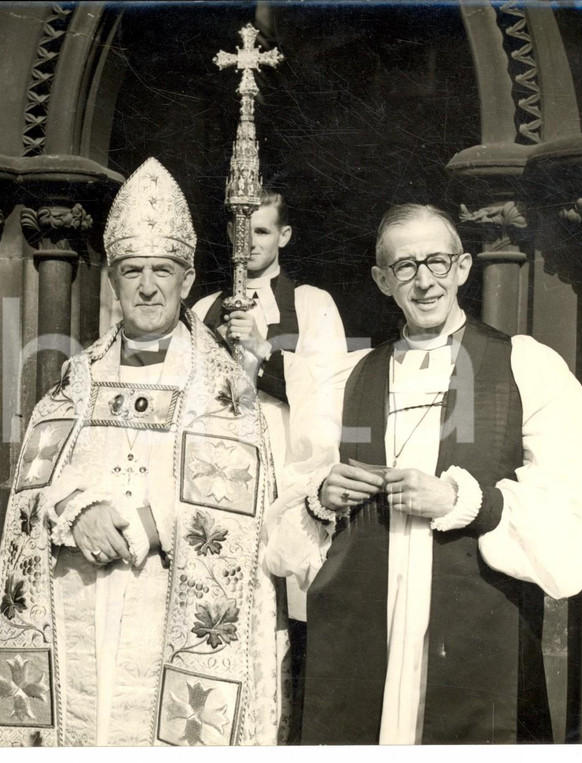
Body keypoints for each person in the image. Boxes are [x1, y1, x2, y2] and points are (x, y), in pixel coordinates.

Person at [0, 157, 285, 746]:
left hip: (164, 590)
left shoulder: (220, 385)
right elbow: (40, 482)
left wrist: (144, 525)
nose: (147, 286)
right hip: (75, 587)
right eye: (131, 270)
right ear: (112, 279)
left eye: (162, 270)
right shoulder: (76, 377)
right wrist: (77, 511)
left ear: (186, 280)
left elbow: (235, 497)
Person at [265, 204, 582, 744]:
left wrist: (463, 501)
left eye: (438, 262)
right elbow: (282, 523)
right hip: (364, 629)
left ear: (464, 267)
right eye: (405, 267)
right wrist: (319, 497)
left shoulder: (525, 367)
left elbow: (578, 514)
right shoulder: (345, 379)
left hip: (475, 630)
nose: (424, 281)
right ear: (383, 280)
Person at [192, 190, 346, 736]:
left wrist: (264, 355)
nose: (247, 243)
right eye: (238, 231)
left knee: (285, 602)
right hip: (215, 477)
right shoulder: (201, 307)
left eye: (260, 231)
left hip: (286, 471)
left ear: (283, 236)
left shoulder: (311, 303)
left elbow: (331, 392)